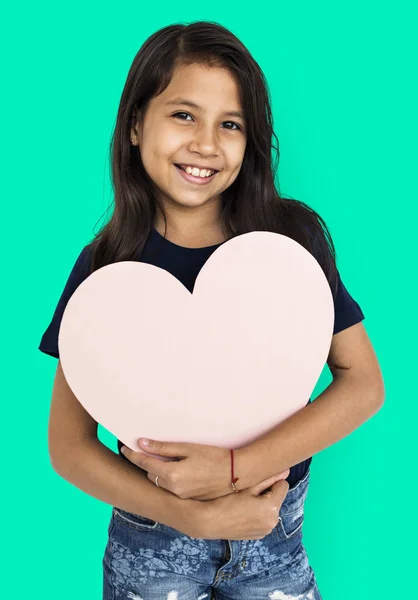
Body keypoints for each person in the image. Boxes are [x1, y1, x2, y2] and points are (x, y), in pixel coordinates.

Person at [38, 21, 385, 600]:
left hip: (272, 537)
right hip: (153, 544)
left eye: (230, 124)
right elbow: (68, 445)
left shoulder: (289, 246)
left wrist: (233, 471)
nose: (205, 143)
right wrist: (191, 516)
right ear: (133, 125)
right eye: (183, 115)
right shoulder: (107, 269)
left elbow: (364, 384)